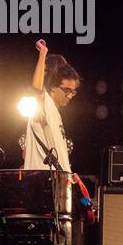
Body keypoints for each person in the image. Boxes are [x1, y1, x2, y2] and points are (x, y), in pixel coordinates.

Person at [24, 38, 80, 172]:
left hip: (58, 182)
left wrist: (69, 174)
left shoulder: (56, 114)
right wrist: (43, 54)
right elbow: (37, 89)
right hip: (42, 182)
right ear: (53, 87)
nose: (70, 95)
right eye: (67, 90)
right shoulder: (45, 104)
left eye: (73, 92)